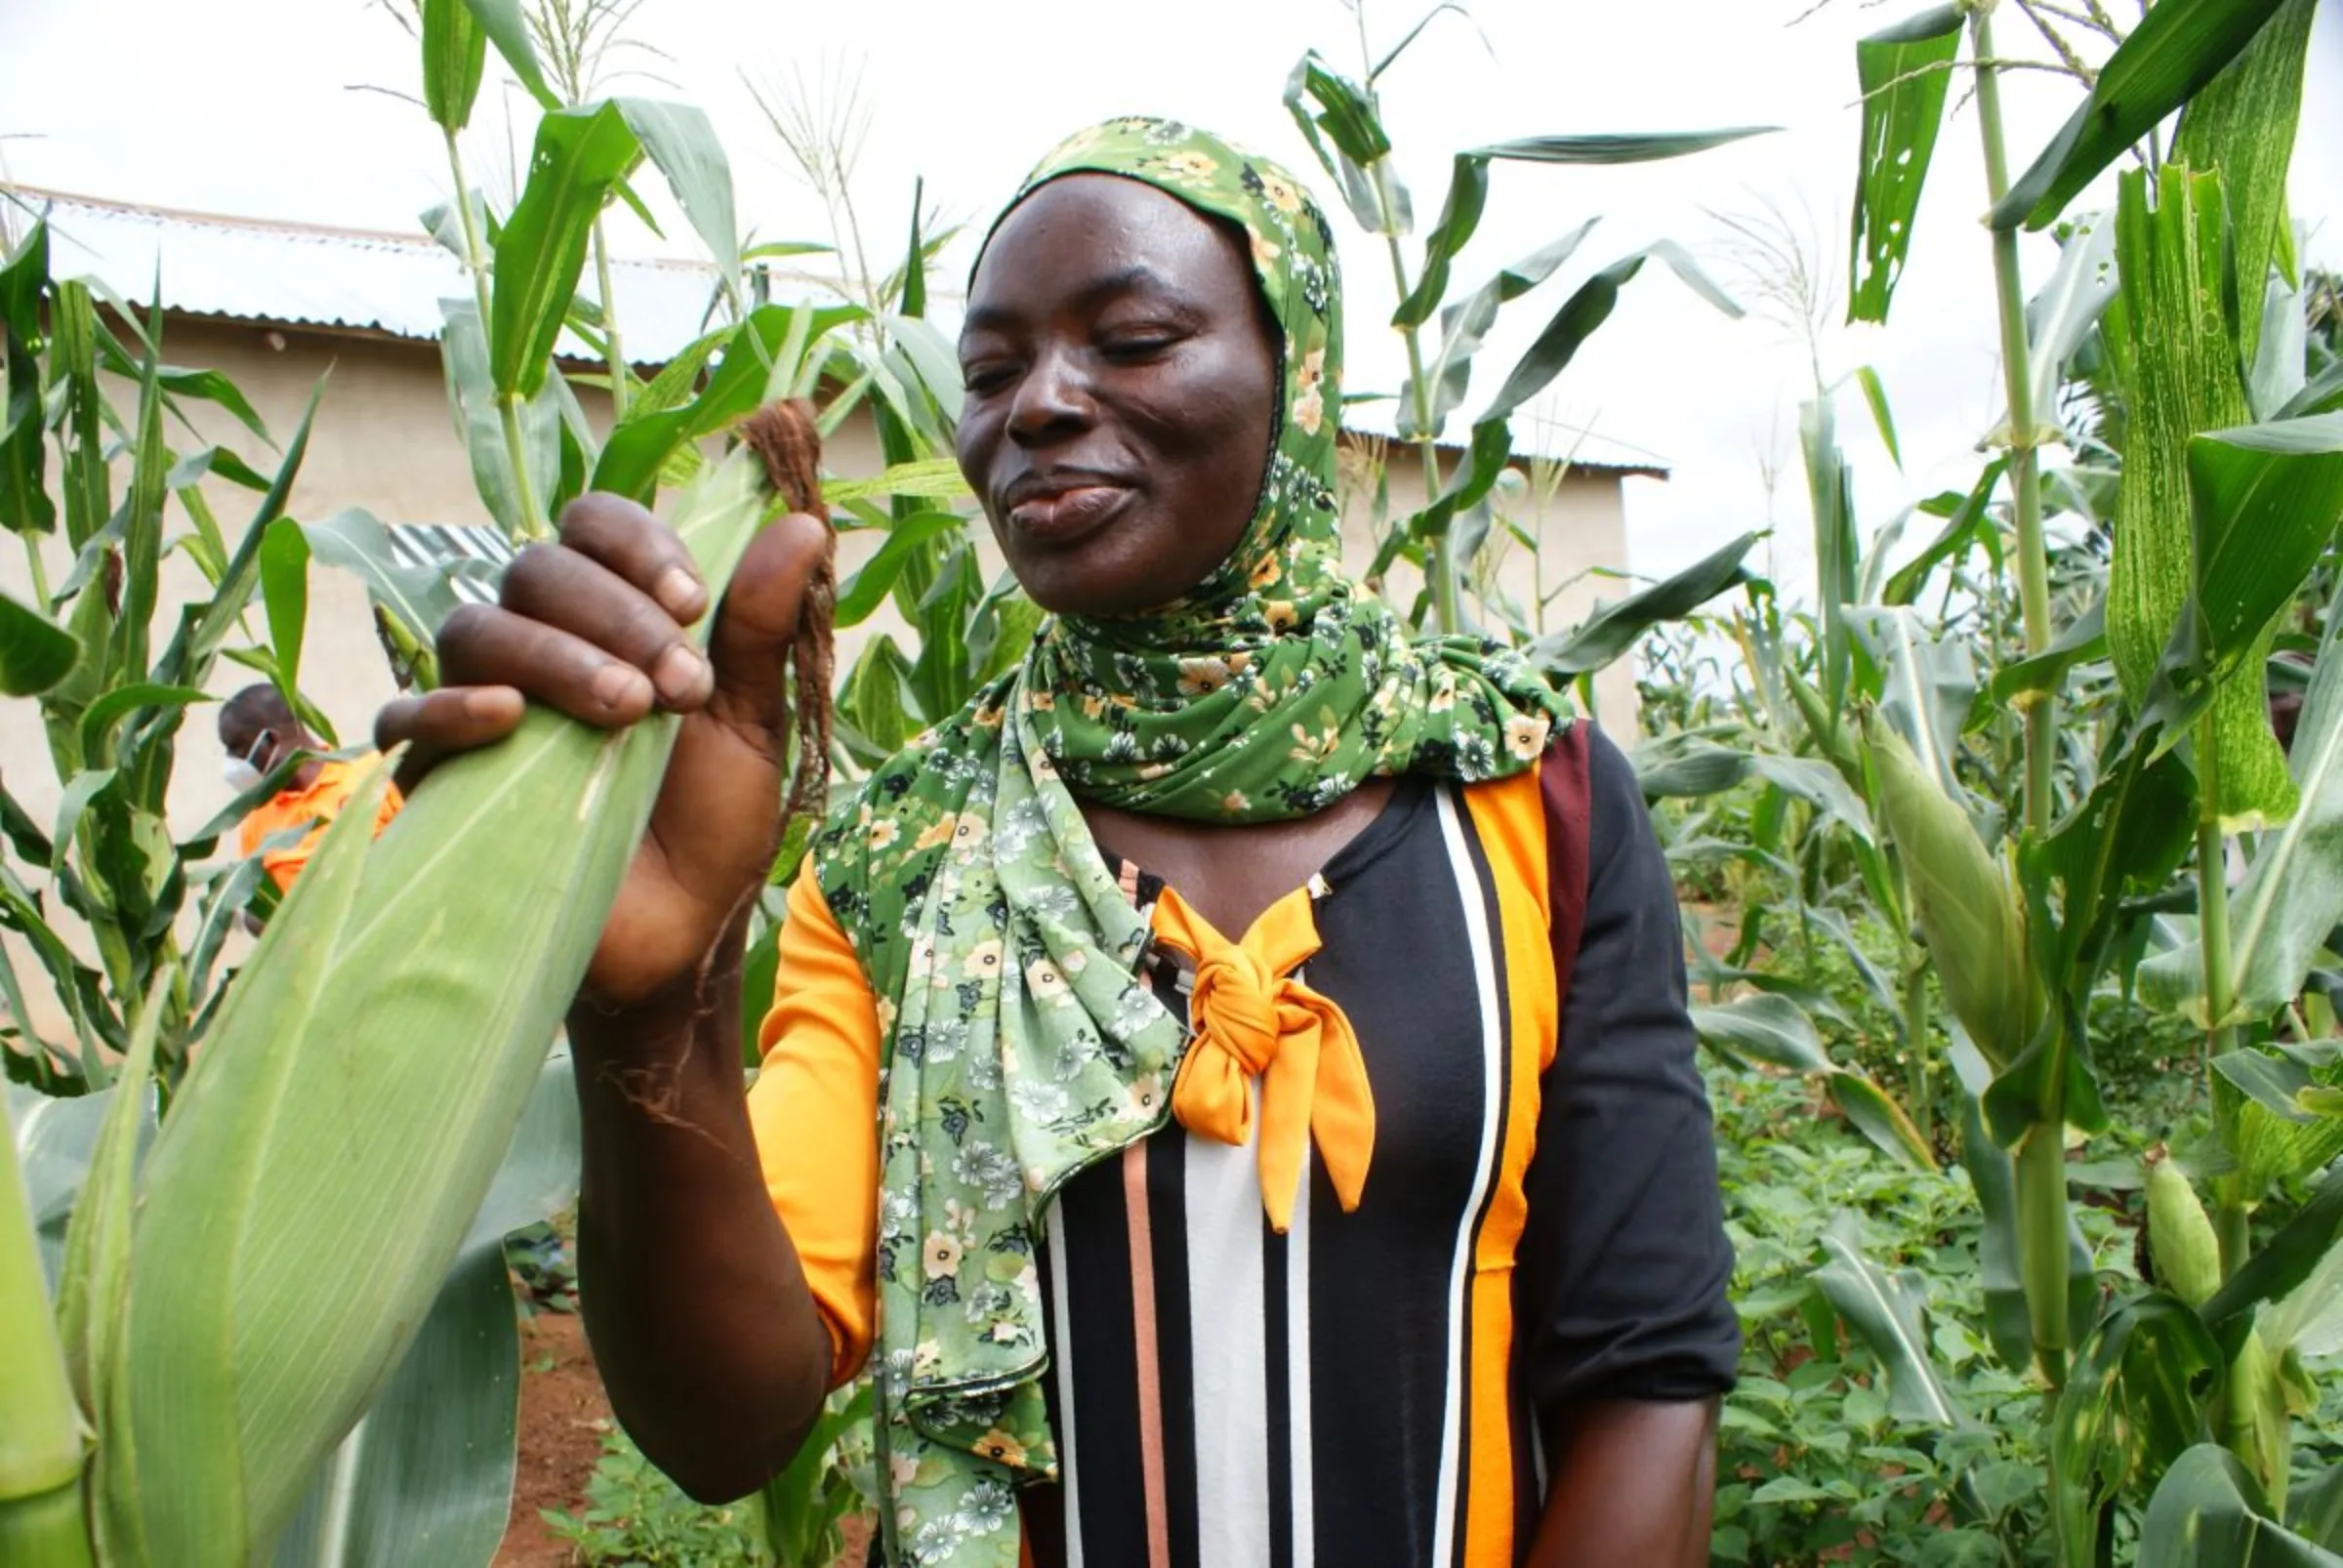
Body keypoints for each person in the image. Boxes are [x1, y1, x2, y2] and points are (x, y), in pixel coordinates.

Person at [381, 119, 1737, 1568]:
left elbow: (1645, 1376)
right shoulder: (909, 854)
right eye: (986, 371)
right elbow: (727, 1423)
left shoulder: (1533, 797)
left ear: (1297, 377)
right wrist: (655, 1010)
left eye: (1135, 337)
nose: (1034, 406)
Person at [219, 683, 403, 897]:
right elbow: (261, 906)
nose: (231, 763)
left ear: (270, 740)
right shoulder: (255, 825)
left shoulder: (376, 772)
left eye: (236, 749)